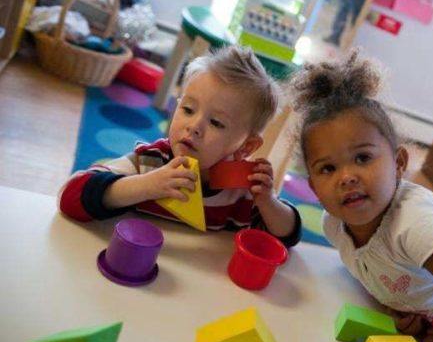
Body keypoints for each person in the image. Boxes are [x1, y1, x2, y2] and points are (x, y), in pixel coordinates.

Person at [289, 50, 433, 342]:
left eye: (362, 158)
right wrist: (409, 316)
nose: (346, 177)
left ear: (398, 163)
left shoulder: (414, 223)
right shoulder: (334, 227)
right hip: (432, 325)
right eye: (328, 169)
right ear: (314, 189)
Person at [58, 46, 301, 246]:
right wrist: (147, 185)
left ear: (246, 147)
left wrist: (268, 202)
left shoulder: (240, 187)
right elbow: (70, 197)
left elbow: (287, 237)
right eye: (187, 109)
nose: (194, 126)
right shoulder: (150, 161)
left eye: (216, 122)